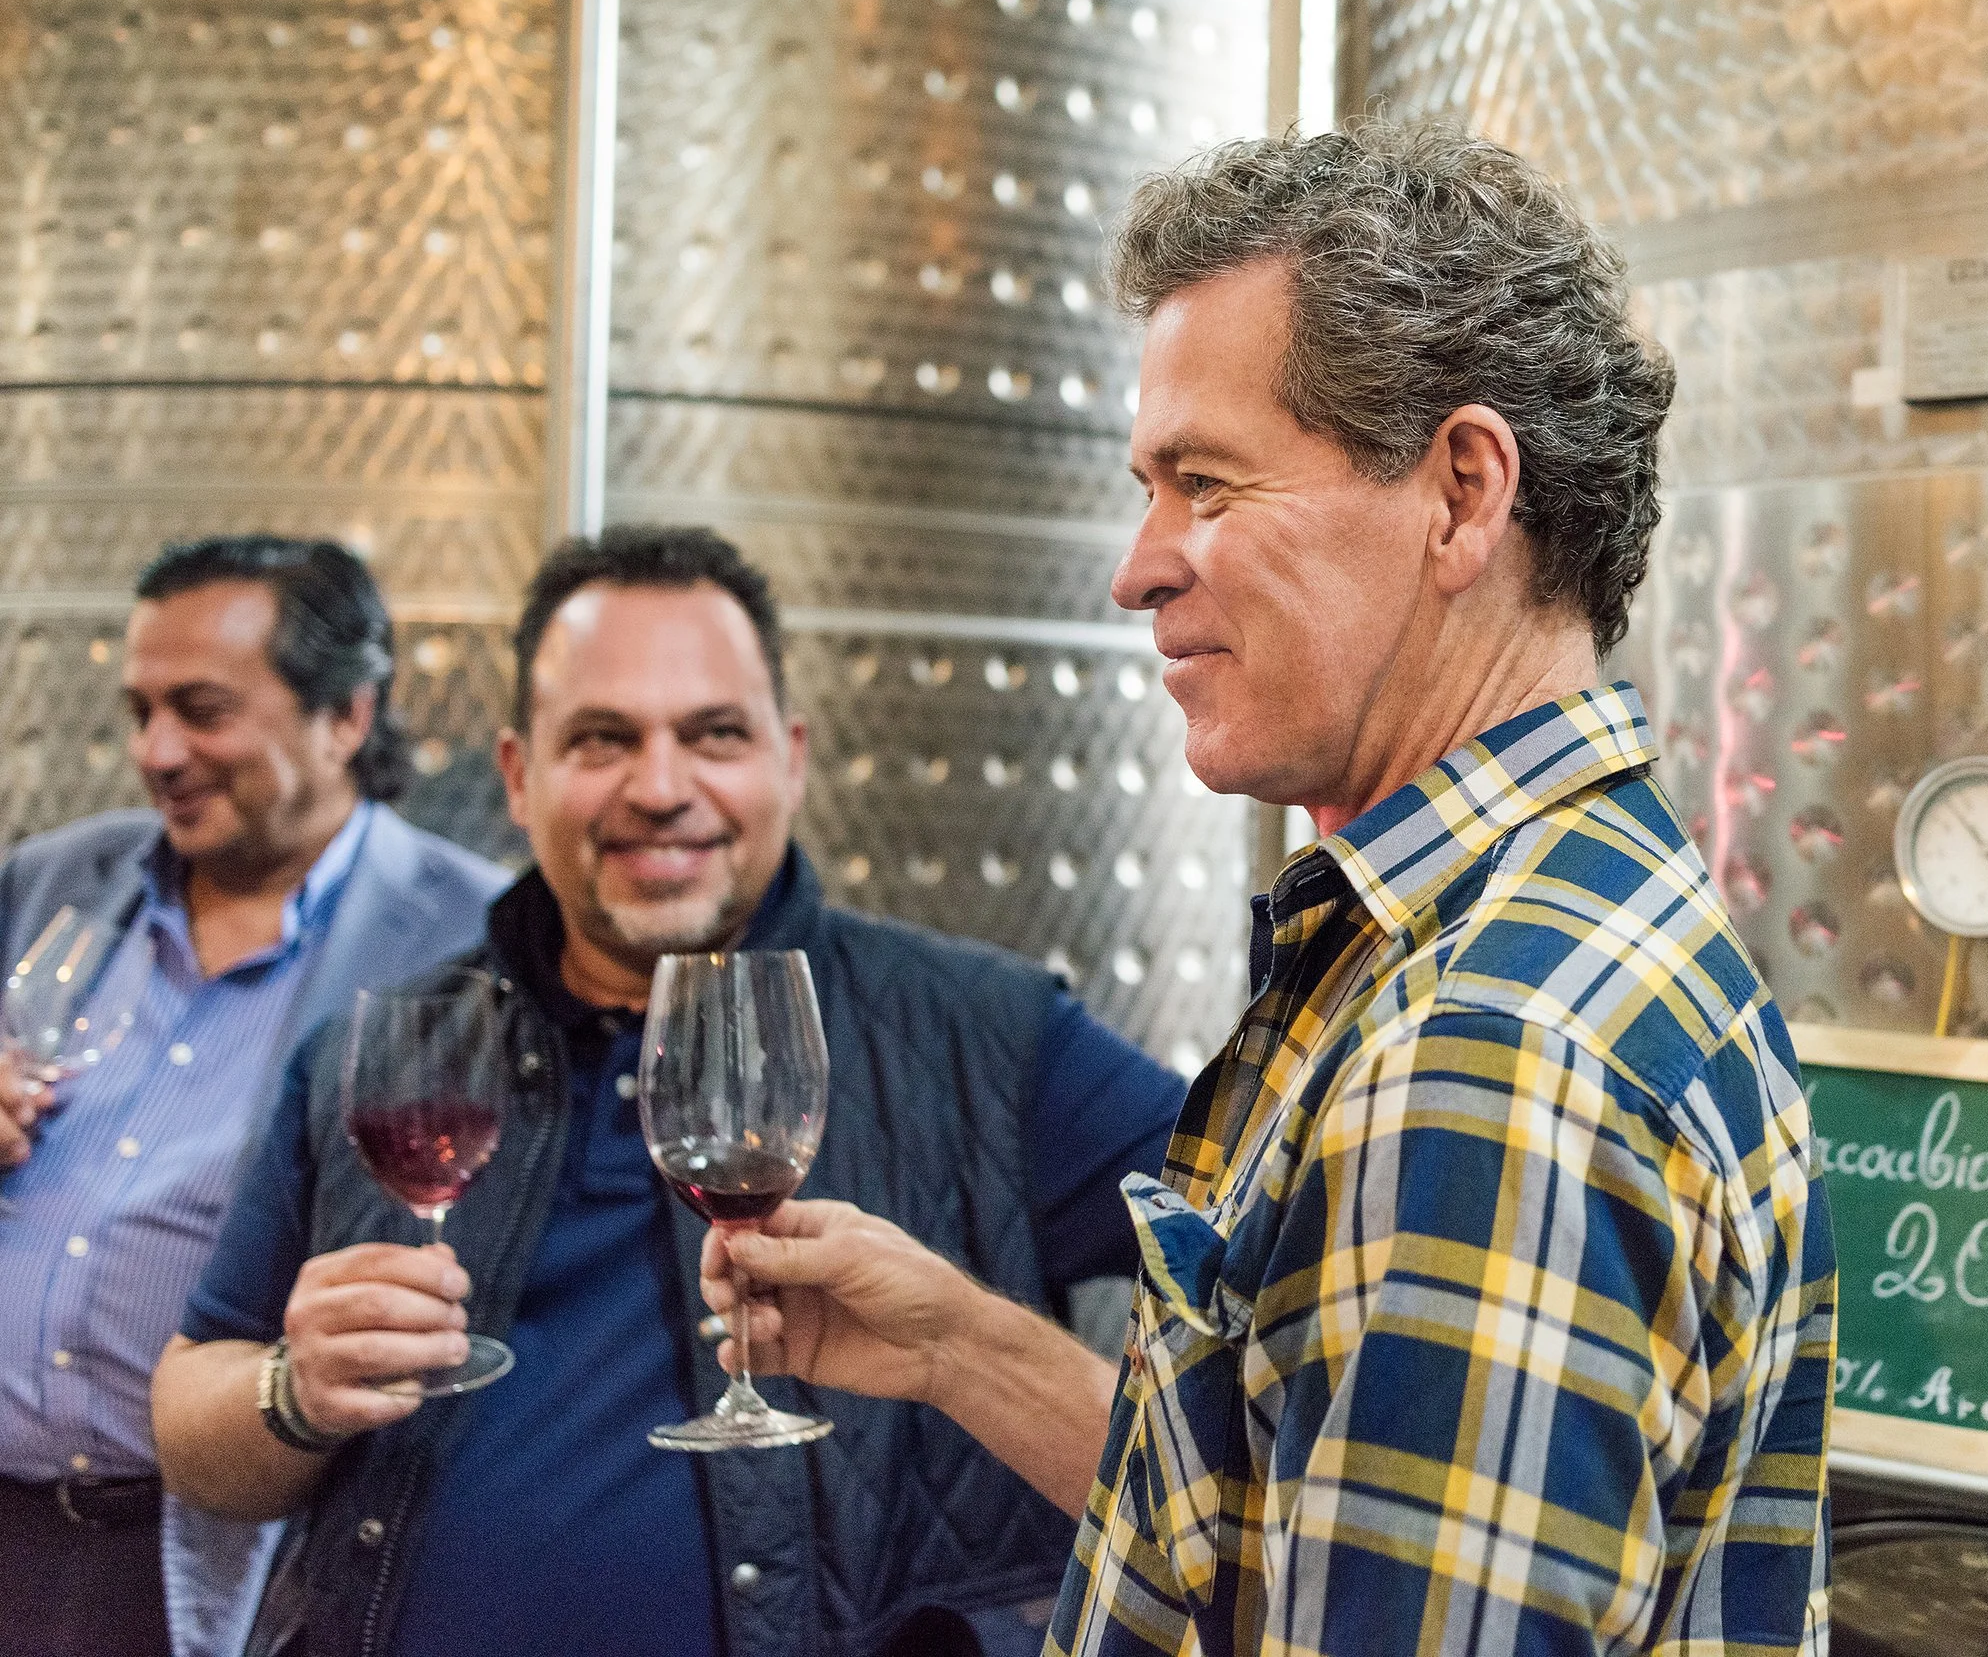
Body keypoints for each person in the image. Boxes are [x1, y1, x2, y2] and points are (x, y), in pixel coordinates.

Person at [700, 119, 1838, 1655]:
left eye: (1207, 483)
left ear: (1461, 492)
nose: (1139, 564)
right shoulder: (1548, 921)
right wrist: (962, 1343)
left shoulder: (1485, 1056)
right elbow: (1283, 1545)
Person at [151, 525, 1187, 1657]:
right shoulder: (394, 1053)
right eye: (601, 738)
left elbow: (1301, 1324)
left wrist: (975, 1345)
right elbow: (193, 1412)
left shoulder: (987, 1035)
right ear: (517, 773)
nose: (658, 786)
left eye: (713, 734)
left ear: (788, 757)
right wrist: (292, 1389)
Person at [0, 537, 508, 1657]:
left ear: (346, 715)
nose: (157, 750)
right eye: (139, 710)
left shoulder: (475, 934)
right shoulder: (53, 878)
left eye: (202, 709)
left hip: (225, 1557)